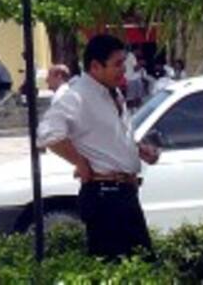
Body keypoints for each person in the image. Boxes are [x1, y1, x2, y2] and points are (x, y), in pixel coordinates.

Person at [38, 34, 159, 261]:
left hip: (125, 192)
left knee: (143, 265)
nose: (124, 70)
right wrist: (79, 162)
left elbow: (107, 137)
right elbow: (47, 134)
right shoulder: (78, 96)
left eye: (124, 63)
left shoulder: (113, 93)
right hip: (105, 195)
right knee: (114, 268)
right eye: (117, 64)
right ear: (95, 66)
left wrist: (137, 149)